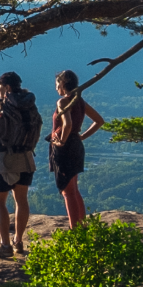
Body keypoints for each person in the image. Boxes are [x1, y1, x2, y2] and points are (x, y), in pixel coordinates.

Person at [0, 71, 42, 257]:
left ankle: (5, 245)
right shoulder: (30, 106)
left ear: (7, 88)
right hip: (25, 158)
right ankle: (19, 242)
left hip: (2, 161)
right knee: (21, 201)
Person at [47, 68, 105, 228]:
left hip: (66, 148)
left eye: (57, 83)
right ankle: (82, 226)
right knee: (74, 189)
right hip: (76, 146)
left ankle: (75, 230)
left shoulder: (63, 102)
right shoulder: (80, 101)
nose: (56, 87)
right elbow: (99, 121)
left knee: (67, 191)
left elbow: (68, 124)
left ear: (63, 83)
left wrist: (62, 142)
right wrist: (81, 137)